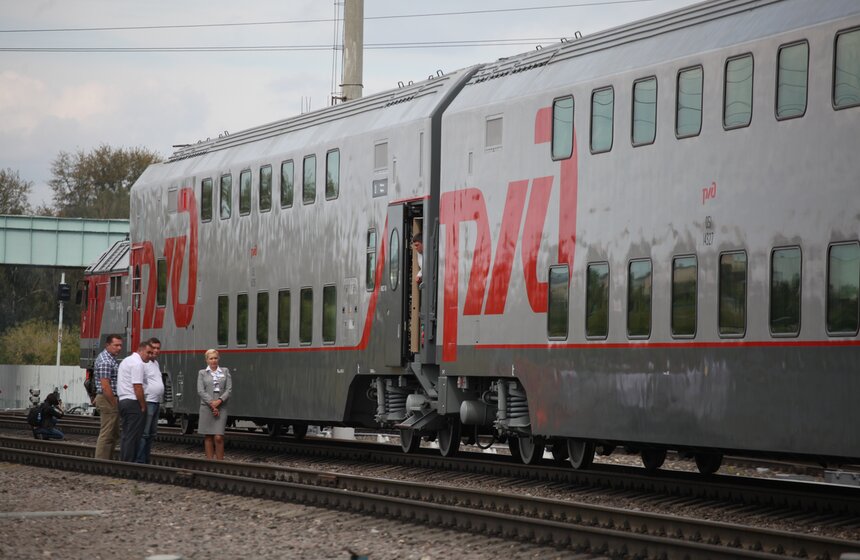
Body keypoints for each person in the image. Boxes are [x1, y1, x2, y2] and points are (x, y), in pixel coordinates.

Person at [116, 340, 152, 462]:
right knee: (134, 435)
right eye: (148, 352)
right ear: (140, 350)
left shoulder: (126, 361)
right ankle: (129, 462)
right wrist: (143, 405)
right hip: (133, 402)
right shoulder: (138, 364)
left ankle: (125, 460)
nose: (150, 355)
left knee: (127, 434)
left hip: (123, 401)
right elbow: (137, 386)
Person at [197, 349, 232, 460]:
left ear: (218, 358)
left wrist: (219, 401)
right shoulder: (202, 373)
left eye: (215, 358)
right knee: (208, 437)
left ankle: (220, 463)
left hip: (221, 407)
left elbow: (229, 389)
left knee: (218, 437)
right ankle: (210, 463)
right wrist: (212, 403)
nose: (213, 360)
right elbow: (200, 391)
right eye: (211, 358)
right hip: (206, 407)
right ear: (207, 360)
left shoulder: (225, 371)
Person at [93, 334, 123, 460]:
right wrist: (114, 403)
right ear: (107, 345)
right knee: (107, 433)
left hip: (108, 398)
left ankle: (107, 460)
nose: (119, 348)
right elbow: (105, 386)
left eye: (120, 345)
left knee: (112, 433)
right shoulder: (106, 361)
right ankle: (101, 462)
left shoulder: (110, 359)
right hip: (108, 399)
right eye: (116, 345)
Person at [136, 337, 164, 464]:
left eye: (158, 348)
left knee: (152, 434)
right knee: (145, 433)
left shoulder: (155, 363)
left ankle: (146, 459)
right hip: (148, 402)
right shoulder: (143, 364)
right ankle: (140, 460)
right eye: (154, 348)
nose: (156, 351)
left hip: (156, 402)